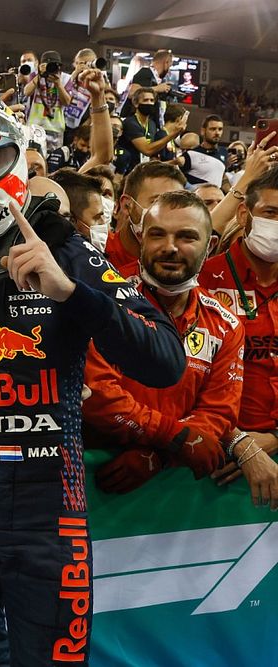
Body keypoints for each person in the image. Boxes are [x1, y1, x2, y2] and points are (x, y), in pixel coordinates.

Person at [0, 84, 186, 666]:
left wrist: (72, 294)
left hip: (48, 503)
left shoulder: (63, 245)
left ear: (14, 156)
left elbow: (164, 361)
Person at [83, 191, 243, 492]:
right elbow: (98, 396)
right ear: (141, 238)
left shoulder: (226, 324)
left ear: (209, 246)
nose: (170, 247)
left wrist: (161, 456)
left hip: (175, 490)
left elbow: (219, 412)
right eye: (157, 234)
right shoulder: (103, 300)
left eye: (186, 237)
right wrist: (176, 438)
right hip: (93, 478)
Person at [201, 166, 278, 508]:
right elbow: (184, 378)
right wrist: (238, 442)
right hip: (217, 460)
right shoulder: (204, 278)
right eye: (271, 213)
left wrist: (274, 439)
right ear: (245, 214)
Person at [105, 160, 187, 274]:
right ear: (127, 205)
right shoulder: (98, 250)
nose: (170, 214)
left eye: (178, 205)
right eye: (157, 202)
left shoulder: (185, 258)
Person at [117, 88, 188, 175]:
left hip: (142, 170)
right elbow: (147, 150)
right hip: (127, 171)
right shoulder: (131, 123)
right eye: (145, 100)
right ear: (136, 103)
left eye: (152, 100)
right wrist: (173, 134)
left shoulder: (152, 124)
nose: (149, 103)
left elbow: (153, 152)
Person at [179, 115, 226, 187]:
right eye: (213, 129)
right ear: (203, 131)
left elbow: (222, 177)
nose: (217, 133)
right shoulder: (191, 154)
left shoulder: (224, 153)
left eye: (220, 129)